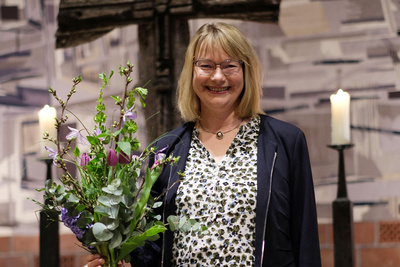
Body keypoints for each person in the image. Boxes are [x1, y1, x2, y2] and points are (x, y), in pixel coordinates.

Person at [87, 22, 321, 267]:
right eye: (206, 66)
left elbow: (305, 240)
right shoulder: (166, 149)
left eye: (230, 66)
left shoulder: (285, 142)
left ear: (246, 71)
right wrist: (117, 258)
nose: (218, 76)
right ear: (191, 72)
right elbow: (153, 244)